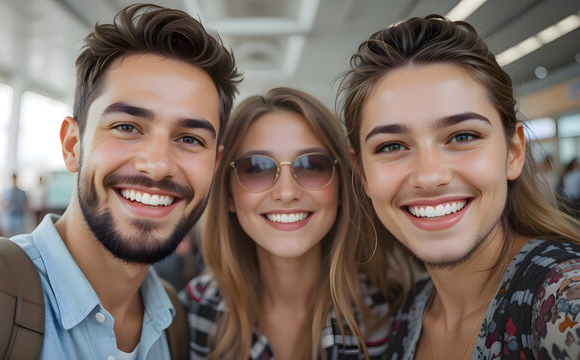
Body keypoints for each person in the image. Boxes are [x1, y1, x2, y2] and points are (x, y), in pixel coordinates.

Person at [0, 3, 240, 359]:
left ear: (214, 165)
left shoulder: (174, 324)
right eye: (127, 127)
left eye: (190, 139)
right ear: (73, 146)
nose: (158, 165)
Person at [338, 15, 580, 359]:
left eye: (463, 136)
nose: (429, 175)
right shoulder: (408, 313)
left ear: (513, 153)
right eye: (392, 146)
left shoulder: (563, 300)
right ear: (362, 174)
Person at [180, 88, 410, 359]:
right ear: (229, 195)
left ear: (340, 187)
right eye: (257, 168)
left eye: (312, 165)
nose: (287, 192)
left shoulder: (395, 313)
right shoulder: (192, 312)